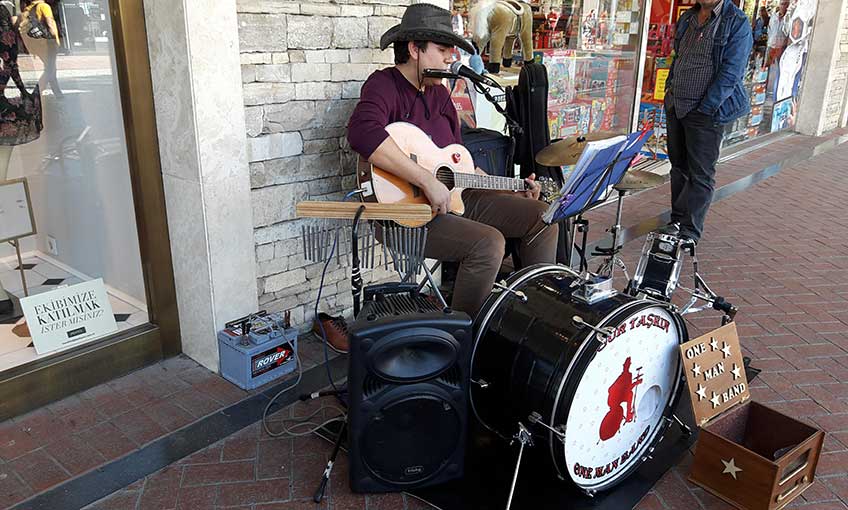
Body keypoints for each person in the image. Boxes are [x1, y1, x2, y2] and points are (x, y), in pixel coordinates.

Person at [347, 3, 557, 318]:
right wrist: (425, 180)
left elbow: (461, 168)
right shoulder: (384, 85)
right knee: (488, 243)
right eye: (443, 49)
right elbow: (362, 133)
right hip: (403, 213)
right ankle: (462, 337)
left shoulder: (441, 95)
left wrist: (512, 189)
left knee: (542, 216)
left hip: (454, 200)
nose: (451, 58)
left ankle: (536, 317)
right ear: (415, 49)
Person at [660, 0, 752, 244]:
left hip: (705, 112)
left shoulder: (736, 22)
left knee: (700, 173)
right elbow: (679, 57)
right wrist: (669, 90)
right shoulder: (687, 18)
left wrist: (707, 108)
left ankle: (690, 231)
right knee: (678, 167)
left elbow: (731, 73)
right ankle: (677, 220)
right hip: (677, 105)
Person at [19, 0, 62, 96]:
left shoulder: (27, 9)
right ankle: (36, 93)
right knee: (50, 69)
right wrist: (54, 39)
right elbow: (50, 23)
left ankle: (58, 93)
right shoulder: (44, 6)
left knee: (50, 68)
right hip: (47, 43)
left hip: (37, 44)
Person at [767, 0, 790, 66]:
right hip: (771, 45)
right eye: (782, 4)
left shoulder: (788, 18)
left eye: (786, 4)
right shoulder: (774, 16)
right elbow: (769, 29)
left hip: (781, 47)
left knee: (780, 66)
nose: (784, 6)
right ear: (779, 5)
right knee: (768, 66)